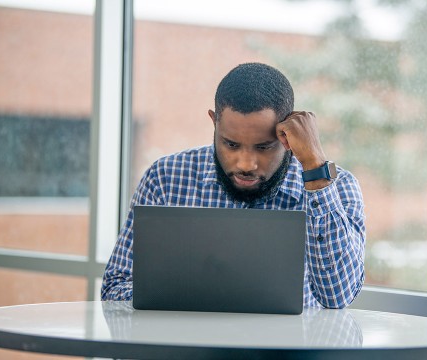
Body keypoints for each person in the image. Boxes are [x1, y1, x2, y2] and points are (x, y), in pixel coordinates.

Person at [101, 62, 366, 309]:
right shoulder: (164, 178)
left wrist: (315, 168)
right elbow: (115, 288)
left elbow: (337, 296)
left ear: (287, 135)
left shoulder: (337, 188)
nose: (246, 164)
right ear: (214, 122)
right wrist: (191, 306)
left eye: (263, 147)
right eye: (231, 144)